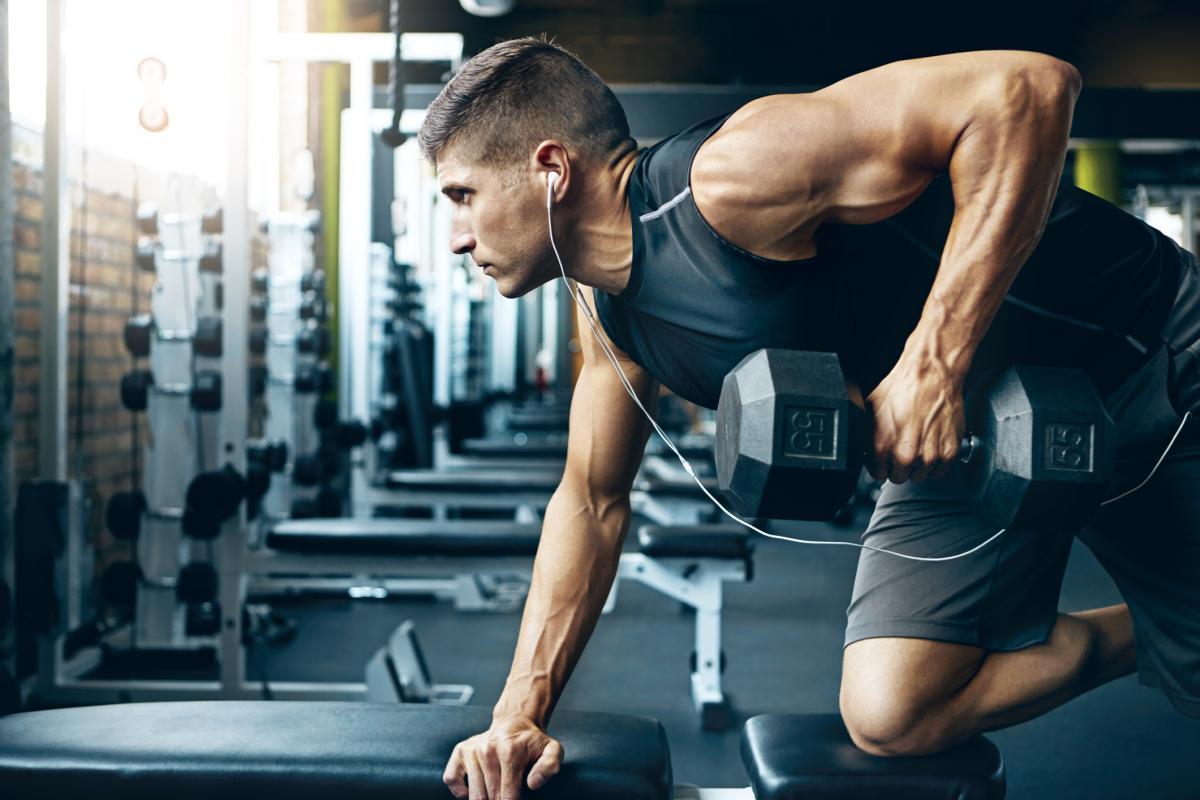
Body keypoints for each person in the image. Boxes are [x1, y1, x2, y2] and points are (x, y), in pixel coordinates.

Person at [419, 35, 1200, 800]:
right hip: (975, 436)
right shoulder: (611, 318)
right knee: (894, 711)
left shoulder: (733, 176)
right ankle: (1161, 633)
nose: (456, 238)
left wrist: (934, 361)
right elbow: (592, 502)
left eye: (462, 196)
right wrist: (517, 714)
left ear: (551, 169)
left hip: (1147, 358)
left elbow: (1030, 88)